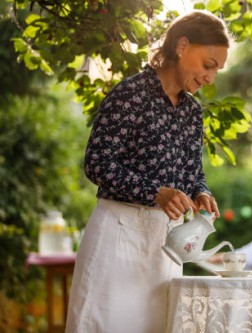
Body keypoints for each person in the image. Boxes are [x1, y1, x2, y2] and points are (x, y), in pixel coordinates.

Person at [65, 10, 229, 333]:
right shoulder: (131, 94)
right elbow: (97, 162)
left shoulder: (193, 113)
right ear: (182, 46)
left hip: (166, 247)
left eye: (217, 71)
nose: (211, 78)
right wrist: (154, 191)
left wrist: (201, 191)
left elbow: (193, 171)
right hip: (117, 239)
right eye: (208, 65)